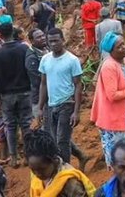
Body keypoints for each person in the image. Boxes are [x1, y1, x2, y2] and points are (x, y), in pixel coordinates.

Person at [38, 28, 89, 168]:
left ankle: (65, 170)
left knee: (62, 141)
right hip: (51, 104)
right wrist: (40, 107)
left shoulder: (72, 60)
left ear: (63, 40)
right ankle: (80, 156)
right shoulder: (45, 60)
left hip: (67, 103)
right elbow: (43, 84)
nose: (53, 44)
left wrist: (76, 111)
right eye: (50, 41)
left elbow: (78, 85)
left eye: (56, 40)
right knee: (54, 138)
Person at [91, 33, 125, 167]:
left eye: (123, 44)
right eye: (119, 47)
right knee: (119, 159)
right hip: (113, 120)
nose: (124, 48)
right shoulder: (109, 67)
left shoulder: (124, 61)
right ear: (111, 51)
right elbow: (112, 95)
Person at [0, 22, 33, 168]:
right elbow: (29, 69)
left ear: (0, 35)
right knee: (26, 124)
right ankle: (29, 156)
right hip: (25, 91)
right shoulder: (23, 48)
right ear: (13, 32)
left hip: (7, 95)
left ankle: (14, 157)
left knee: (10, 126)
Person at [26, 129, 96, 197]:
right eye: (33, 170)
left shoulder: (70, 183)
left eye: (42, 169)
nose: (37, 174)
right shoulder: (38, 175)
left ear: (55, 161)